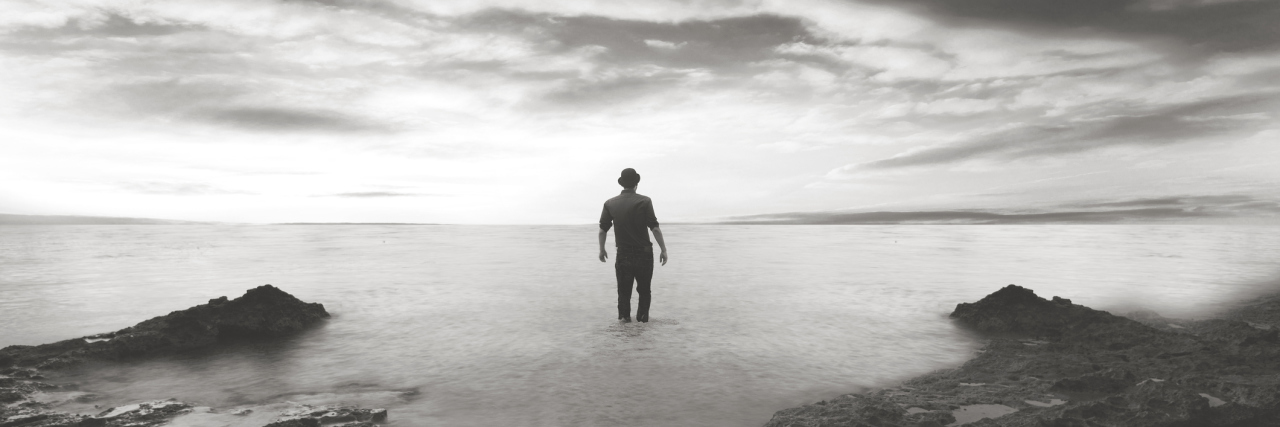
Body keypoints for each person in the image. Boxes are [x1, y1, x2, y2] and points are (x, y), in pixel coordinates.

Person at [598, 168, 668, 323]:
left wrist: (602, 249)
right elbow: (654, 228)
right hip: (644, 254)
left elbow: (603, 230)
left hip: (623, 254)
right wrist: (663, 249)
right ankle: (643, 323)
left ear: (622, 184)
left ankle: (624, 328)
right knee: (644, 291)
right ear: (637, 183)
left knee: (623, 292)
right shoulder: (645, 201)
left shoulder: (610, 203)